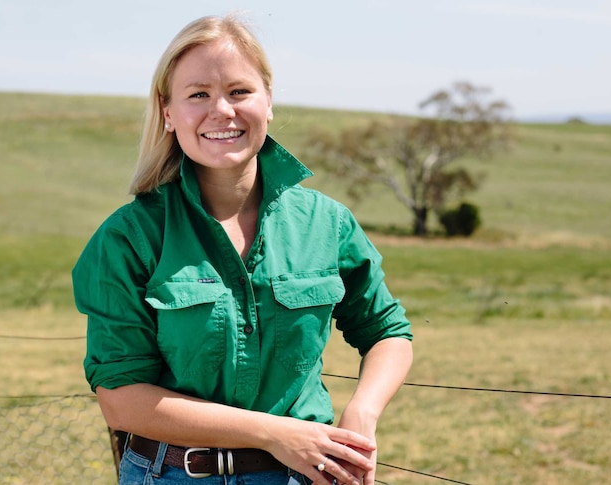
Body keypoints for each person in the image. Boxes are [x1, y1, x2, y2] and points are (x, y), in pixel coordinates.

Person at [72, 13, 413, 485]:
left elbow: (388, 332)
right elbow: (121, 397)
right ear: (168, 112)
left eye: (239, 91)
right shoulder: (130, 237)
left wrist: (362, 415)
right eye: (198, 95)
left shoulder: (326, 223)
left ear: (268, 101)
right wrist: (274, 434)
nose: (222, 111)